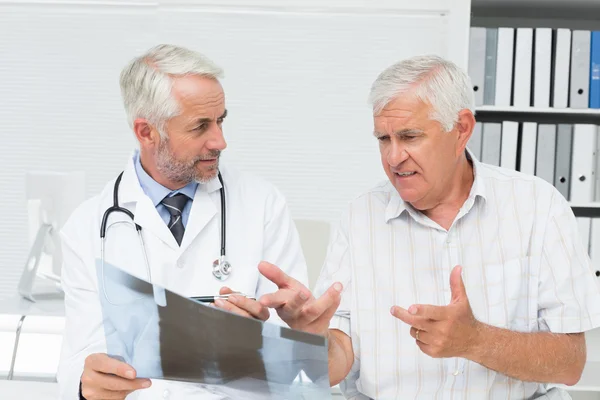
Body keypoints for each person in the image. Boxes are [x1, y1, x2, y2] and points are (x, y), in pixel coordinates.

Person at [258, 55, 600, 399]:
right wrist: (314, 339)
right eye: (383, 139)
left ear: (461, 129)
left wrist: (475, 340)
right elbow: (340, 361)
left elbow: (569, 364)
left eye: (409, 137)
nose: (393, 158)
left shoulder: (537, 206)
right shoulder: (359, 216)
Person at [57, 44, 308, 400]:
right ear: (146, 132)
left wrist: (261, 342)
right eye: (200, 126)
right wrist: (87, 386)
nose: (220, 140)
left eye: (220, 120)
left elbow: (300, 356)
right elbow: (79, 361)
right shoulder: (87, 227)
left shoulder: (263, 204)